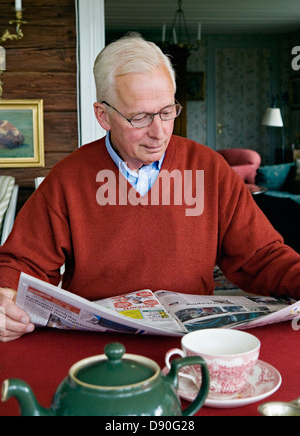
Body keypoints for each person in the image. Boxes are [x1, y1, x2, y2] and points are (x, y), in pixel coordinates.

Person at [0, 33, 299, 342]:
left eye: (167, 112)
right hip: (96, 346)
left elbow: (259, 256)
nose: (159, 133)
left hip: (191, 343)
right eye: (140, 118)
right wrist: (4, 298)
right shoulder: (68, 178)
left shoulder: (210, 169)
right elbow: (22, 264)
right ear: (104, 116)